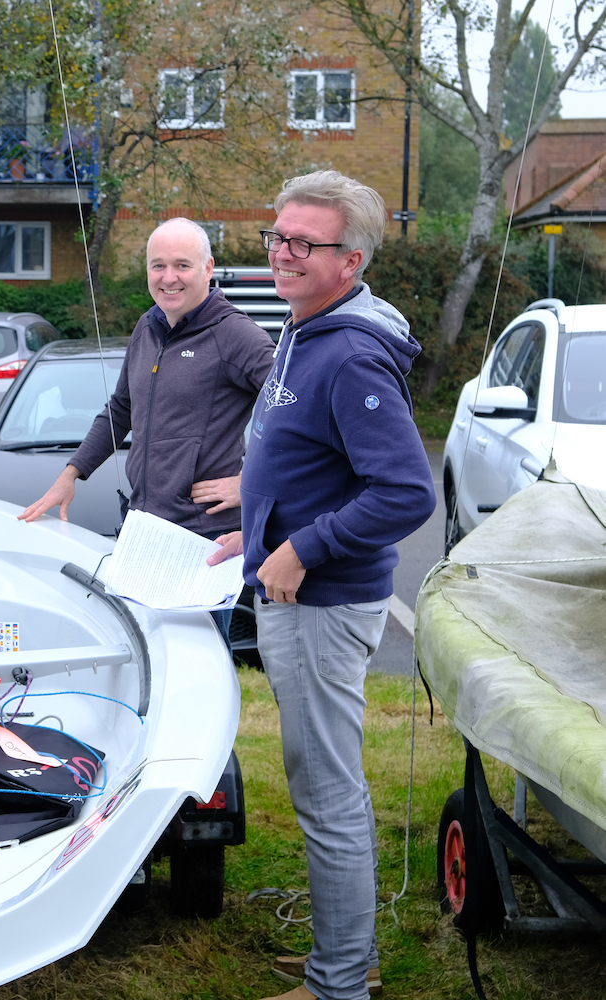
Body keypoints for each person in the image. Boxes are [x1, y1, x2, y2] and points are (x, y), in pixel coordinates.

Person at [207, 170, 436, 1000]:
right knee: (320, 780)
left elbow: (408, 491)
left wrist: (301, 549)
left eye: (306, 243)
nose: (283, 253)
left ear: (352, 259)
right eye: (277, 236)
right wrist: (257, 528)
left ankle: (340, 983)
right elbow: (311, 462)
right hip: (295, 583)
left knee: (327, 788)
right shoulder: (307, 326)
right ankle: (346, 955)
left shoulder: (349, 353)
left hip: (323, 606)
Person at [19, 217, 274, 636]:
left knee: (198, 664)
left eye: (182, 265)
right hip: (145, 529)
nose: (168, 277)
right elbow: (120, 409)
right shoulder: (148, 327)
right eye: (158, 266)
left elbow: (296, 412)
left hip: (203, 541)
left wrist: (251, 482)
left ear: (208, 269)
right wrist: (71, 474)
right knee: (147, 658)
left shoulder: (237, 336)